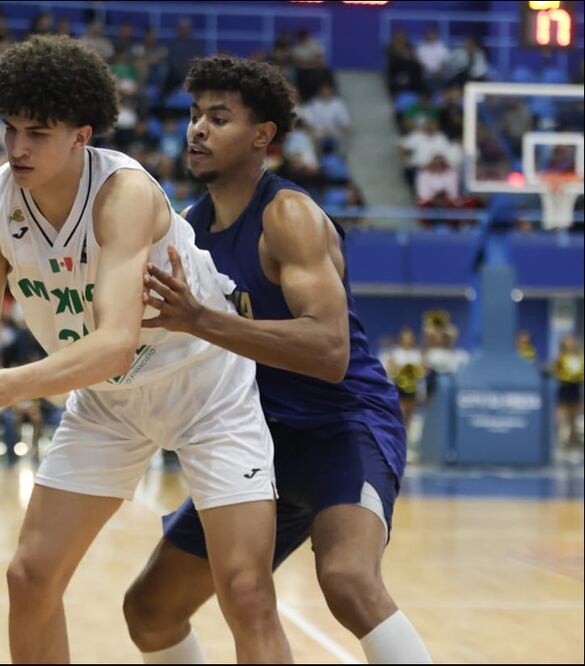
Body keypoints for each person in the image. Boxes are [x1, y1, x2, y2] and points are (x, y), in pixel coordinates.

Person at [0, 36, 291, 663]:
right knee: (29, 578)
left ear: (81, 136)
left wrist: (10, 386)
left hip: (204, 389)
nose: (18, 147)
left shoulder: (123, 194)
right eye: (10, 130)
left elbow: (113, 343)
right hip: (109, 403)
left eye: (38, 133)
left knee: (246, 590)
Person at [123, 55, 431, 664]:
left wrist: (204, 319)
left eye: (219, 117)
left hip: (341, 426)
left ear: (262, 135)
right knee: (150, 611)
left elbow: (329, 350)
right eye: (193, 116)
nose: (197, 130)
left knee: (347, 580)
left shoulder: (288, 216)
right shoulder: (189, 227)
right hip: (254, 441)